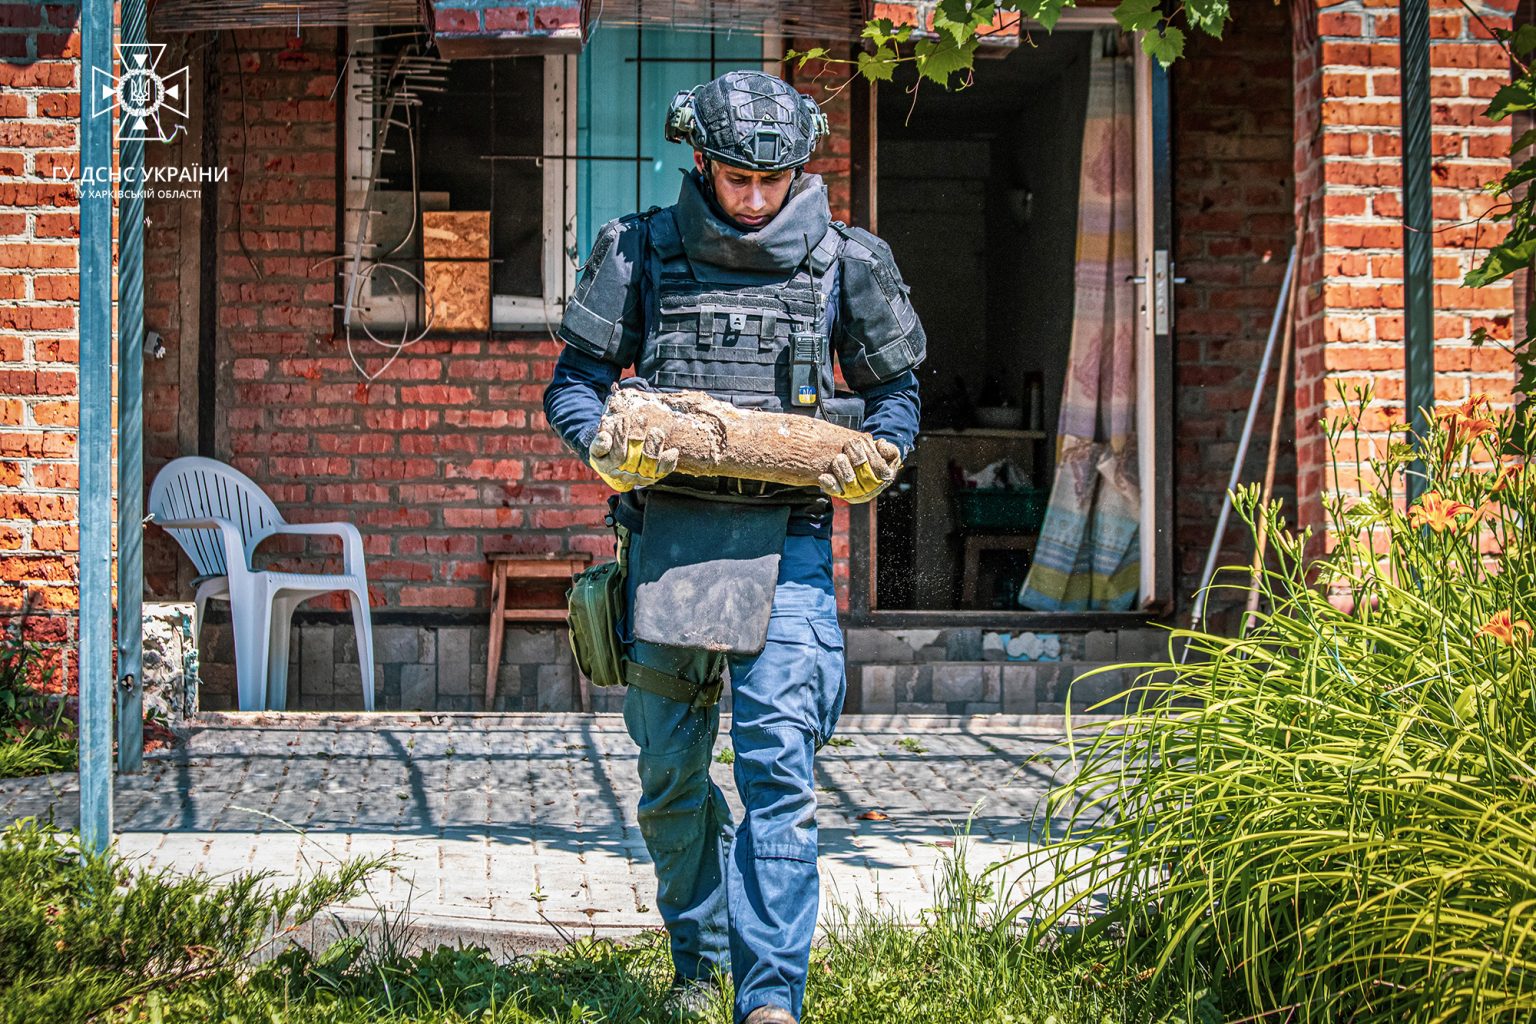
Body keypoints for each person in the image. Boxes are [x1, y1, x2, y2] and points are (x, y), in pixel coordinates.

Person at [543, 70, 924, 1024]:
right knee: (672, 780)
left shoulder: (849, 262)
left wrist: (880, 456)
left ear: (800, 169)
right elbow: (575, 383)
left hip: (790, 547)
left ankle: (770, 997)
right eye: (736, 180)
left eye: (774, 181)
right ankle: (698, 964)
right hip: (665, 549)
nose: (754, 200)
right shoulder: (638, 251)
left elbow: (898, 400)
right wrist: (603, 443)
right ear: (700, 162)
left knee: (777, 775)